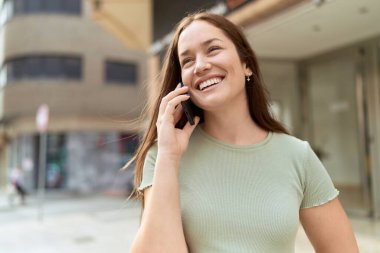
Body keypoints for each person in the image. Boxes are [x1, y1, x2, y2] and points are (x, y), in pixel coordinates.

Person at [129, 12, 359, 253]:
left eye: (213, 49)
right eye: (187, 61)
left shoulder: (297, 156)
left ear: (246, 64)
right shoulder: (163, 156)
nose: (200, 65)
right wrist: (169, 156)